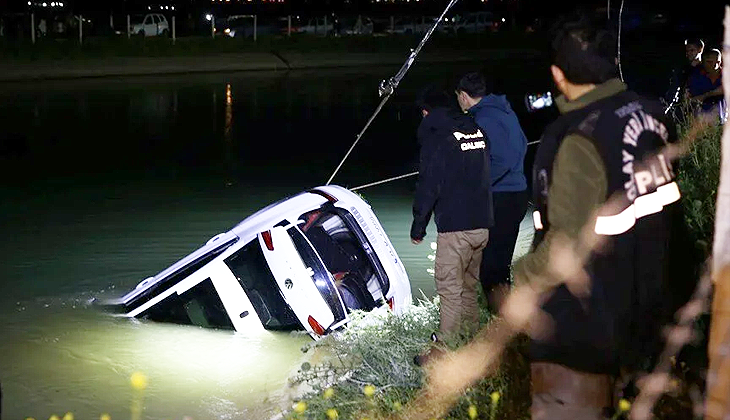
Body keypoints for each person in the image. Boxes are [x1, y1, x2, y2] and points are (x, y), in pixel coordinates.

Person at [511, 11, 687, 419]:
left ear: (558, 75)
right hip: (648, 321)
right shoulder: (654, 114)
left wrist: (520, 280)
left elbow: (563, 248)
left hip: (581, 338)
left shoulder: (574, 136)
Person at [410, 85, 493, 363]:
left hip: (456, 228)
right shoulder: (475, 129)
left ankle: (443, 351)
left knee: (449, 286)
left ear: (426, 112)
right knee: (469, 285)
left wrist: (418, 226)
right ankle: (472, 339)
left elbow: (428, 185)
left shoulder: (438, 137)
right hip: (482, 224)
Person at [455, 72, 529, 310]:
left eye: (458, 97)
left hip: (502, 198)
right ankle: (506, 320)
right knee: (500, 262)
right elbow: (523, 144)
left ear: (464, 96)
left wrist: (477, 184)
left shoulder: (484, 119)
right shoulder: (505, 112)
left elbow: (502, 160)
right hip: (518, 194)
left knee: (491, 268)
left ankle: (503, 323)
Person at [665, 37, 704, 110]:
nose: (689, 53)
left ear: (700, 50)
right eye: (687, 51)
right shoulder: (684, 68)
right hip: (685, 105)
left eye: (692, 50)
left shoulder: (705, 68)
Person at [687, 48, 725, 122]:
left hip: (723, 119)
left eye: (710, 62)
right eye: (708, 62)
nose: (707, 65)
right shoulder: (696, 77)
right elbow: (693, 99)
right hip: (701, 119)